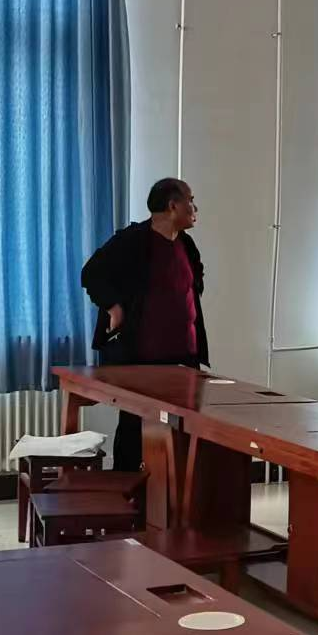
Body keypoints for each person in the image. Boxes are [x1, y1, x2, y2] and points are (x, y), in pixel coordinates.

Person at [80, 178, 208, 470]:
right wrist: (114, 307)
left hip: (184, 356)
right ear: (173, 206)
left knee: (183, 427)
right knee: (133, 427)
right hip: (142, 356)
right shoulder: (133, 240)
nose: (195, 207)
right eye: (190, 200)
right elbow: (91, 273)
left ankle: (173, 492)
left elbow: (194, 280)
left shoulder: (186, 244)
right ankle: (128, 488)